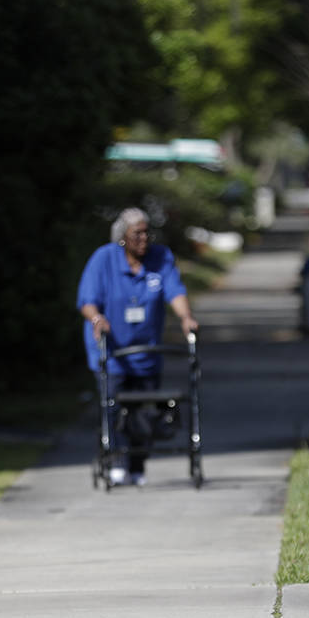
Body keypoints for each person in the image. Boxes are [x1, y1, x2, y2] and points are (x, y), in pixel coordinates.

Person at [76, 207, 199, 486]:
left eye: (147, 233)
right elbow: (87, 301)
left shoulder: (161, 258)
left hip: (147, 352)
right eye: (137, 234)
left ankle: (138, 464)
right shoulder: (103, 259)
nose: (144, 239)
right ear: (122, 237)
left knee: (145, 411)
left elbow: (175, 291)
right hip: (112, 353)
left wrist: (186, 318)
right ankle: (117, 460)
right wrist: (97, 319)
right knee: (114, 408)